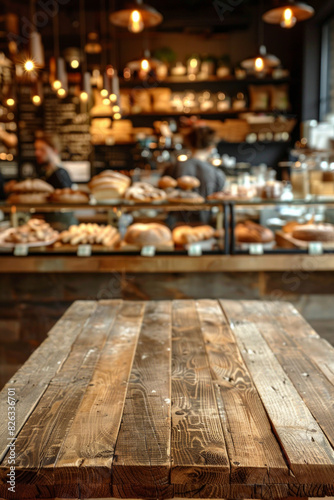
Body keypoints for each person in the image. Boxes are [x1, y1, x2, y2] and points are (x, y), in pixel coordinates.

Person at [163, 124, 225, 224]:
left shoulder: (172, 167)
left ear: (189, 144)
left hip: (175, 224)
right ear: (211, 147)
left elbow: (164, 194)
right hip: (204, 225)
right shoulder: (216, 173)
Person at [34, 132, 78, 230]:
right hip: (50, 225)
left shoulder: (60, 174)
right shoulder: (45, 173)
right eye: (36, 149)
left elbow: (66, 203)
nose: (37, 153)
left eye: (42, 150)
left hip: (63, 226)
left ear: (54, 150)